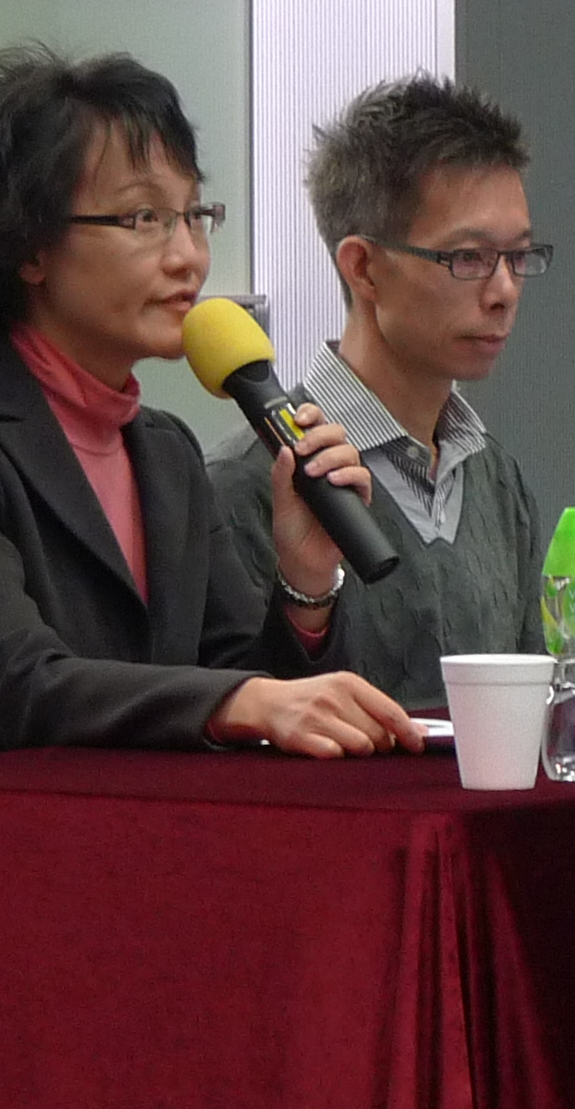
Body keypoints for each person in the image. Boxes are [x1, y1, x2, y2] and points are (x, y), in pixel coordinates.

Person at [0, 42, 420, 762]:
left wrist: (303, 577)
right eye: (144, 218)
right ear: (29, 247)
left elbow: (247, 686)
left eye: (194, 215)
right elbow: (22, 687)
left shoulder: (164, 450)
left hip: (139, 844)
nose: (189, 257)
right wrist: (244, 701)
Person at [208, 75, 550, 710]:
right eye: (468, 258)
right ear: (363, 267)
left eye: (520, 256)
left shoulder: (498, 480)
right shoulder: (246, 483)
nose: (504, 289)